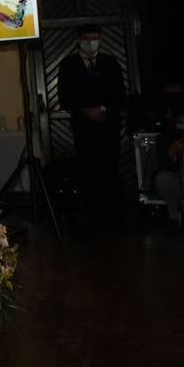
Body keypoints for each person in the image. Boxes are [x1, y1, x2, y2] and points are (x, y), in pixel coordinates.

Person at [57, 24, 126, 224]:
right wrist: (86, 110)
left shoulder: (110, 63)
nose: (91, 42)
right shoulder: (68, 65)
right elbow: (65, 96)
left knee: (110, 167)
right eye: (87, 38)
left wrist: (103, 109)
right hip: (83, 127)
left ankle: (113, 213)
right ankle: (92, 213)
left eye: (95, 37)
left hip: (108, 126)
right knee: (89, 169)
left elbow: (119, 94)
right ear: (78, 40)